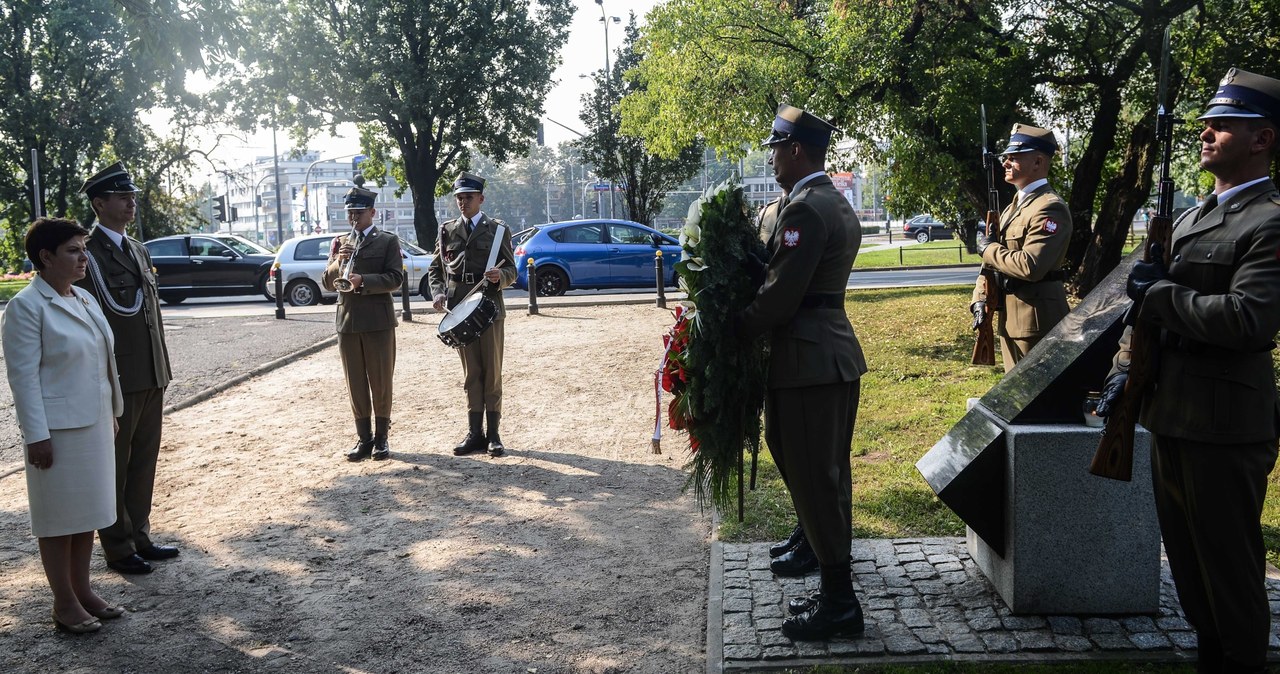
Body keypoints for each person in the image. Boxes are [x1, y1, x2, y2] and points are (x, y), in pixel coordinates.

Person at [1096, 67, 1280, 674]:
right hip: (1171, 414)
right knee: (1192, 571)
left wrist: (1158, 294)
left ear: (1263, 139)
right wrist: (1125, 368)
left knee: (1229, 574)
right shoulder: (1194, 216)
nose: (1206, 132)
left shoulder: (1269, 220)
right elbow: (1144, 313)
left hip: (1225, 424)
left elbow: (1249, 320)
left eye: (1223, 124)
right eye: (1204, 123)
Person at [737, 104, 868, 641]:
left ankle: (840, 604)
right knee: (823, 474)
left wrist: (727, 328)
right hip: (823, 356)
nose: (771, 157)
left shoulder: (807, 210)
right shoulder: (827, 202)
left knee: (818, 479)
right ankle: (826, 568)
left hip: (808, 361)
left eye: (775, 147)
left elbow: (780, 299)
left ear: (796, 150)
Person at [3, 218, 126, 633]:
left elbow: (100, 363)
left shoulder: (83, 299)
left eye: (83, 249)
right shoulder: (25, 307)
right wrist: (36, 436)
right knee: (58, 521)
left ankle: (83, 590)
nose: (83, 257)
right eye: (73, 250)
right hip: (56, 432)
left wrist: (110, 411)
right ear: (45, 257)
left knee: (86, 514)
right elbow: (23, 378)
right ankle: (63, 602)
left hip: (92, 424)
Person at [74, 162, 177, 575]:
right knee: (115, 464)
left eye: (131, 195)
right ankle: (117, 547)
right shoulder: (87, 253)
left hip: (152, 372)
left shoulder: (137, 248)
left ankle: (140, 534)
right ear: (100, 204)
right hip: (118, 378)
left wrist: (162, 367)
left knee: (144, 459)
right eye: (122, 196)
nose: (131, 201)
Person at [427, 172, 517, 458]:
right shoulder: (447, 230)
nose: (463, 202)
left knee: (491, 373)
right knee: (471, 374)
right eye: (459, 198)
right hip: (459, 309)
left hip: (489, 309)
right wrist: (439, 292)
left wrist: (498, 276)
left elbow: (513, 271)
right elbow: (436, 269)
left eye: (468, 197)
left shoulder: (498, 231)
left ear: (481, 198)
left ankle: (494, 435)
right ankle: (474, 432)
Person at [969, 124, 1073, 371]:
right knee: (1016, 400)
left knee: (1039, 403)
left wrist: (988, 248)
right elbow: (990, 266)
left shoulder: (1049, 208)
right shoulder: (1012, 208)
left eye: (1014, 158)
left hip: (1037, 323)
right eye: (1006, 157)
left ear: (1037, 162)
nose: (1005, 163)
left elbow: (1030, 266)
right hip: (1010, 320)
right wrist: (979, 300)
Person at [320, 180, 404, 462]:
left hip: (378, 321)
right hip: (347, 321)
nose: (354, 218)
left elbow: (395, 278)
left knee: (380, 382)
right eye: (350, 213)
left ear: (372, 213)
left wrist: (362, 281)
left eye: (359, 212)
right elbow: (328, 282)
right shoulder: (340, 242)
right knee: (354, 382)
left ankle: (381, 439)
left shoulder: (387, 241)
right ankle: (363, 437)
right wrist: (337, 262)